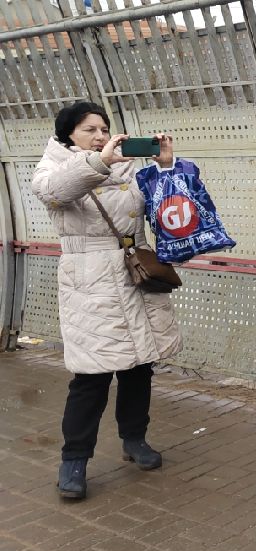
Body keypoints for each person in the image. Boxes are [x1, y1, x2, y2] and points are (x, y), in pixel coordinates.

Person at [31, 101, 183, 500]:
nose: (100, 136)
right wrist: (99, 161)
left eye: (104, 129)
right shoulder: (53, 168)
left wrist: (166, 167)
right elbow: (56, 192)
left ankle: (135, 439)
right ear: (68, 134)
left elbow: (164, 207)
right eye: (89, 130)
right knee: (91, 377)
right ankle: (74, 459)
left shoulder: (126, 165)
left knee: (139, 366)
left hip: (135, 270)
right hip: (91, 279)